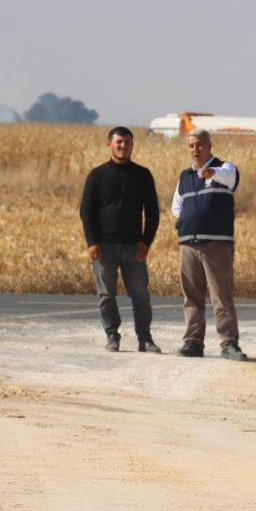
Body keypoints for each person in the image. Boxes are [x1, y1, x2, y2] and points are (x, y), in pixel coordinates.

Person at [79, 126, 161, 353]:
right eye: (119, 142)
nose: (123, 146)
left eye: (127, 143)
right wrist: (91, 242)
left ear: (132, 145)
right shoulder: (97, 175)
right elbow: (86, 211)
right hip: (104, 247)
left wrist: (146, 242)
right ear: (109, 145)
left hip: (133, 247)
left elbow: (152, 212)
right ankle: (112, 335)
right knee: (106, 295)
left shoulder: (142, 175)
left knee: (141, 294)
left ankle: (145, 339)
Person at [171, 129, 247, 361]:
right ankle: (193, 342)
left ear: (210, 146)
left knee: (220, 296)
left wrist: (211, 172)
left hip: (216, 244)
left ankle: (229, 343)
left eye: (200, 145)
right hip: (188, 244)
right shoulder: (185, 177)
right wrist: (188, 221)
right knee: (191, 296)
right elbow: (176, 207)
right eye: (191, 146)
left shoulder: (226, 168)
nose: (196, 150)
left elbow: (227, 177)